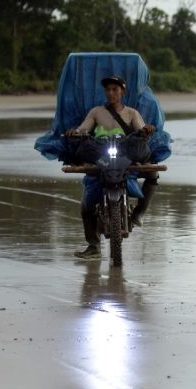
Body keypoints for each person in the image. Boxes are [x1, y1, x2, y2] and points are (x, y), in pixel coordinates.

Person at [66, 75, 157, 259]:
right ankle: (93, 246)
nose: (111, 93)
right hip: (102, 157)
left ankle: (139, 213)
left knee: (153, 172)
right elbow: (84, 128)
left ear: (123, 92)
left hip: (125, 157)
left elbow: (141, 129)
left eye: (115, 89)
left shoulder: (131, 113)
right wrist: (75, 133)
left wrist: (146, 130)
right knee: (85, 207)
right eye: (108, 89)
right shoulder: (96, 112)